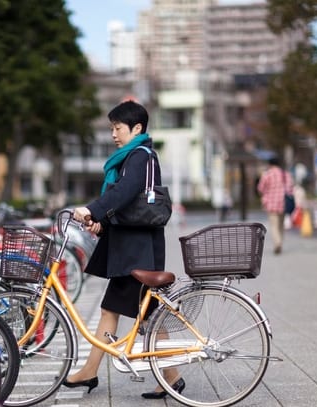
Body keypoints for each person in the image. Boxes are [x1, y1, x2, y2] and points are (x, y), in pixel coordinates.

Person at [66, 100, 183, 399]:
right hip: (133, 248)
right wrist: (102, 223)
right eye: (112, 129)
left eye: (118, 128)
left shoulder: (140, 156)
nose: (114, 134)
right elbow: (131, 206)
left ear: (137, 128)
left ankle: (92, 372)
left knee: (137, 314)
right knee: (136, 314)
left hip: (137, 251)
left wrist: (92, 209)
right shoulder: (133, 156)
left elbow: (126, 192)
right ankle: (170, 376)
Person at [257, 157, 293, 254]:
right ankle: (280, 242)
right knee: (281, 225)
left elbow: (260, 188)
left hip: (271, 204)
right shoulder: (286, 174)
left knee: (274, 225)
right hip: (283, 203)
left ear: (269, 164)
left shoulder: (267, 175)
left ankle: (277, 244)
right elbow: (290, 189)